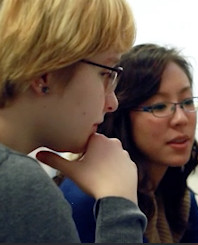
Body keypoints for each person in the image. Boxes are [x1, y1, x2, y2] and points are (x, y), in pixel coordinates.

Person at [60, 43, 198, 243]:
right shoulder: (92, 196)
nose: (181, 119)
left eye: (187, 102)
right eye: (159, 106)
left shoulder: (174, 191)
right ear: (121, 114)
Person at [0, 0, 147, 243]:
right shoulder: (19, 186)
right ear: (45, 73)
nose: (112, 103)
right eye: (107, 74)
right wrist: (120, 202)